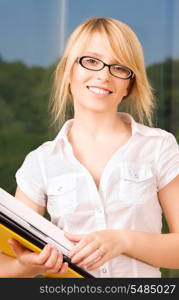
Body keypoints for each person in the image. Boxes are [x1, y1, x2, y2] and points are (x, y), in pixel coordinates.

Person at [0, 17, 179, 278]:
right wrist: (26, 265)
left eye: (119, 67)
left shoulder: (159, 147)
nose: (103, 75)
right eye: (91, 61)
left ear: (128, 84)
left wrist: (124, 241)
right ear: (68, 71)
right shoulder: (40, 162)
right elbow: (6, 264)